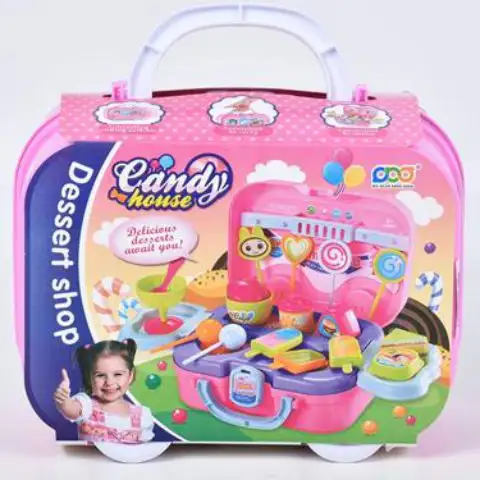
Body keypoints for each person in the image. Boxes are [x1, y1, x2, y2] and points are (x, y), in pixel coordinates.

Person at [53, 339, 154, 444]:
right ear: (89, 378)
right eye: (100, 375)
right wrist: (63, 400)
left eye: (118, 374)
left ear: (130, 376)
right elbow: (71, 410)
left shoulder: (142, 415)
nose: (109, 382)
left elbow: (145, 450)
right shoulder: (87, 405)